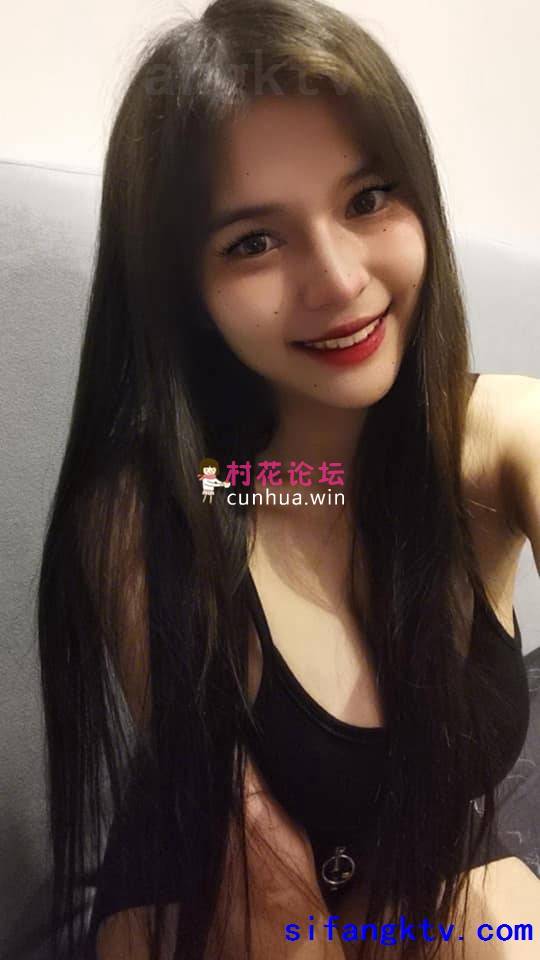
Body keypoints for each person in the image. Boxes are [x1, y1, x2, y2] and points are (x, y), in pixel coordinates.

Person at [37, 0, 540, 957]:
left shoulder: (502, 434)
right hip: (215, 868)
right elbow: (264, 883)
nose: (340, 280)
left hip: (420, 847)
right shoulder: (162, 506)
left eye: (368, 199)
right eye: (254, 242)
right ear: (184, 289)